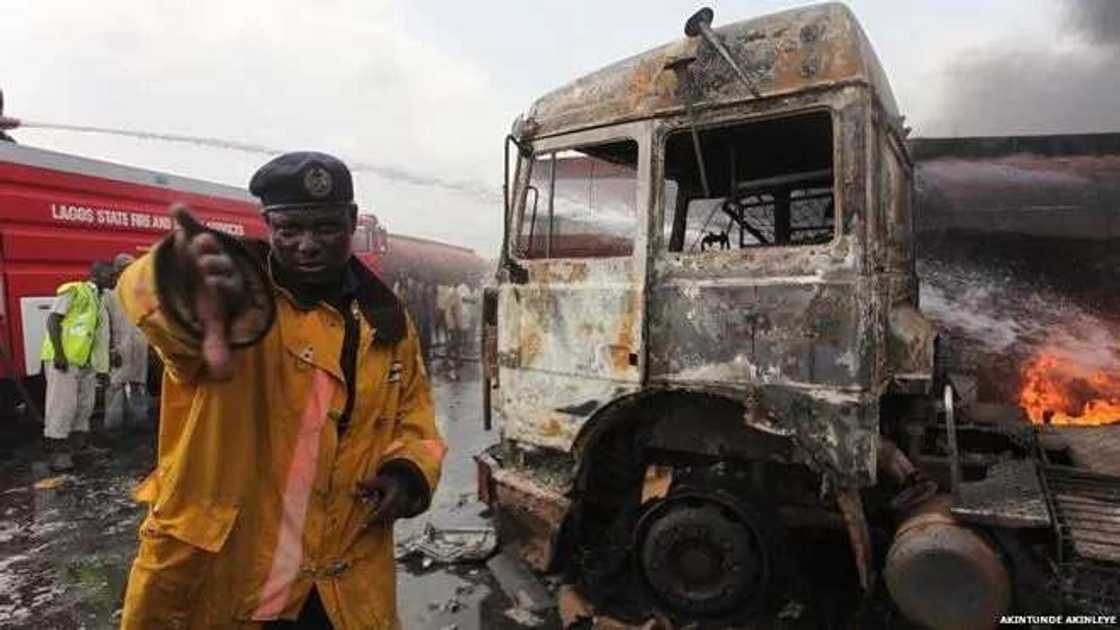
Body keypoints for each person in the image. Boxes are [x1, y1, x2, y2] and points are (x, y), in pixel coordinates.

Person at [116, 151, 445, 629]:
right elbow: (143, 295)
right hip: (234, 582)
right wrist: (180, 282)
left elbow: (416, 418)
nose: (306, 245)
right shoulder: (237, 306)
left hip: (343, 590)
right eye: (288, 230)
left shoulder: (389, 323)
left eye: (326, 228)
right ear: (266, 224)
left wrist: (408, 472)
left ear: (352, 221)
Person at [40, 261, 114, 472]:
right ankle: (58, 453)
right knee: (62, 406)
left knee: (84, 405)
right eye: (110, 275)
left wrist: (102, 366)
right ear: (97, 274)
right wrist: (60, 354)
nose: (114, 278)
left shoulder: (100, 299)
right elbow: (53, 321)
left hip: (85, 362)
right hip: (65, 359)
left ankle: (79, 446)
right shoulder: (75, 290)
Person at [103, 253, 149, 429]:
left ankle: (139, 421)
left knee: (138, 384)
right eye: (127, 268)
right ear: (119, 271)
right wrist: (109, 349)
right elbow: (103, 327)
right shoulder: (108, 295)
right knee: (115, 386)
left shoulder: (140, 293)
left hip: (138, 346)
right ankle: (113, 426)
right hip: (119, 346)